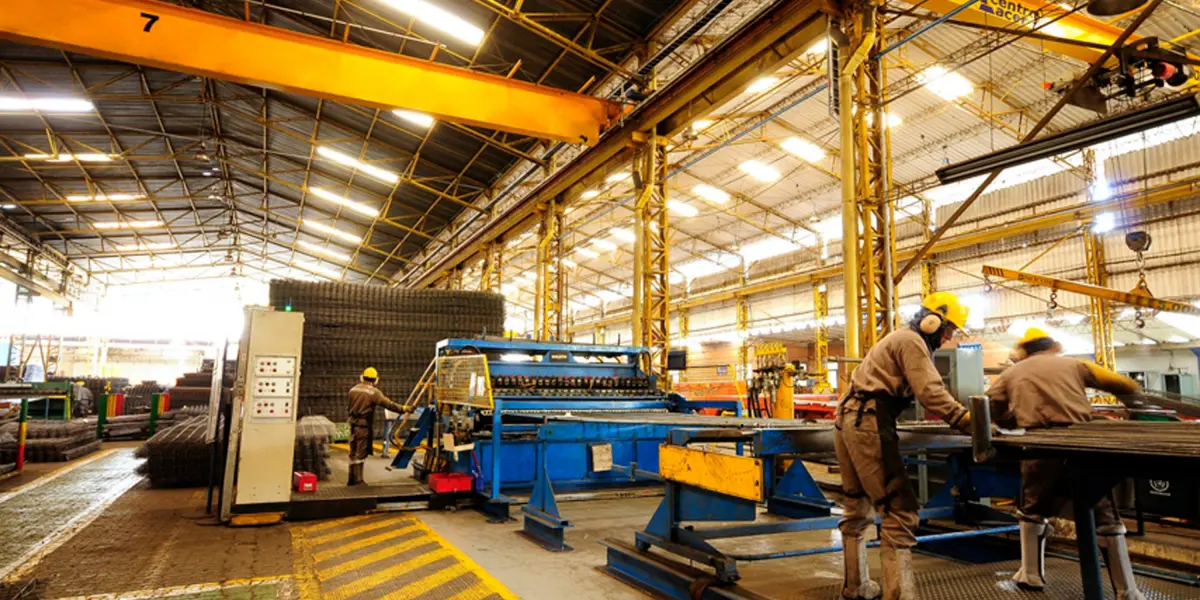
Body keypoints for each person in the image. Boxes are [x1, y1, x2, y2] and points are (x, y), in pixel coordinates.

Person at [986, 328, 1146, 600]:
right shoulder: (1075, 364)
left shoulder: (1011, 373)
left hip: (1040, 447)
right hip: (1082, 445)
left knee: (1033, 507)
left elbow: (989, 408)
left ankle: (1031, 574)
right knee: (1104, 513)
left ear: (1023, 350)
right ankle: (1127, 589)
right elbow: (1126, 386)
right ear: (1052, 346)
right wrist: (1135, 413)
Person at [836, 292, 974, 600]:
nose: (949, 338)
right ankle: (899, 595)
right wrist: (969, 421)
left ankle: (855, 586)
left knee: (857, 503)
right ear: (932, 321)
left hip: (850, 418)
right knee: (900, 509)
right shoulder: (912, 341)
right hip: (869, 421)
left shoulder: (900, 338)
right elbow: (931, 393)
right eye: (949, 329)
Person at [347, 367, 410, 486]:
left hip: (352, 424)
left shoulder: (353, 390)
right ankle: (358, 481)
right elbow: (388, 404)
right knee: (360, 452)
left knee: (353, 452)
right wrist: (403, 409)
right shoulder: (374, 393)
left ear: (362, 377)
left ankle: (351, 480)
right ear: (375, 379)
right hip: (363, 426)